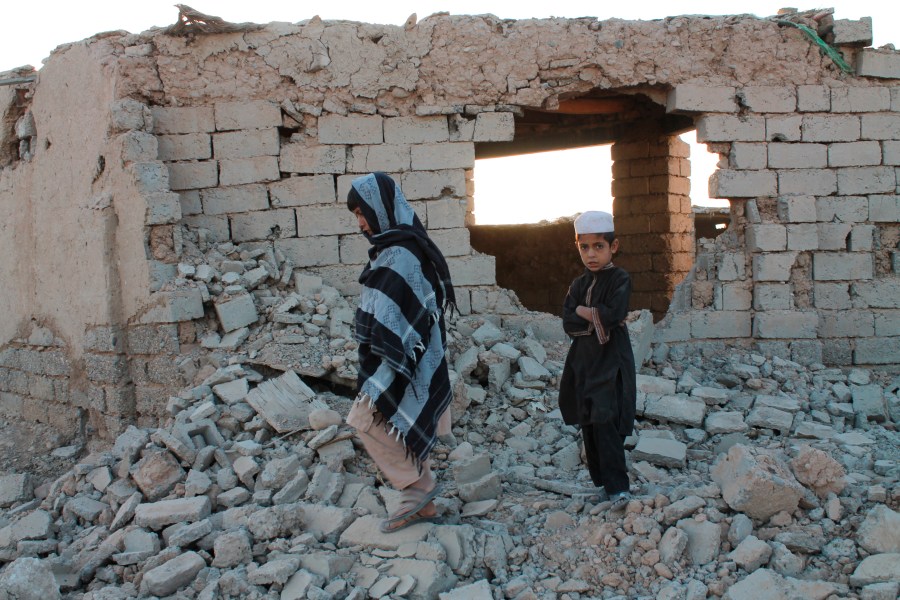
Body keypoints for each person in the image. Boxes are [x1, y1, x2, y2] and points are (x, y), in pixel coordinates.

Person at [344, 172, 457, 533]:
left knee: (367, 419)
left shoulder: (402, 253)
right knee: (392, 423)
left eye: (363, 212)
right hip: (401, 357)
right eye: (356, 215)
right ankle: (423, 506)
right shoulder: (394, 249)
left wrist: (387, 348)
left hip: (403, 360)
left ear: (381, 207)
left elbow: (407, 313)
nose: (361, 222)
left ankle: (417, 489)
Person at [559, 210, 637, 511]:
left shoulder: (620, 278)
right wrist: (589, 314)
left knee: (607, 419)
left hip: (611, 359)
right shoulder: (578, 283)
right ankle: (603, 485)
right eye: (584, 247)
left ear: (613, 247)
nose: (591, 254)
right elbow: (568, 321)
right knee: (589, 422)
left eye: (598, 247)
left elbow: (614, 313)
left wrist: (584, 312)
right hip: (584, 361)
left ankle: (619, 489)